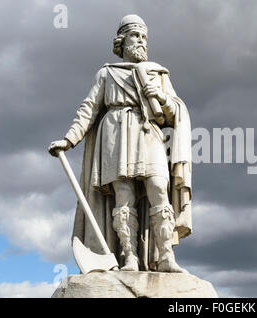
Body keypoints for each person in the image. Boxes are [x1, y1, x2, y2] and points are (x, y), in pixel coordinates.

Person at [48, 14, 192, 273]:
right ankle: (129, 258)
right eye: (135, 35)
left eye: (144, 36)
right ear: (121, 40)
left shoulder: (158, 73)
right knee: (123, 197)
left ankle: (165, 257)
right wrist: (69, 139)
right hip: (115, 135)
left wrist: (159, 95)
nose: (141, 41)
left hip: (148, 132)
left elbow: (175, 113)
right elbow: (88, 109)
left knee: (159, 187)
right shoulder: (106, 74)